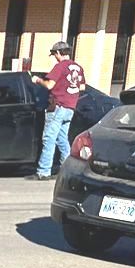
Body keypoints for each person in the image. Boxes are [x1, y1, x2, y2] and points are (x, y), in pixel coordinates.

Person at [36, 39, 87, 180]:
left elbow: (50, 85)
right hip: (70, 107)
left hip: (58, 106)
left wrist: (38, 80)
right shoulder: (77, 67)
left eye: (55, 54)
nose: (55, 58)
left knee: (49, 138)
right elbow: (82, 87)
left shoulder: (60, 67)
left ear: (59, 53)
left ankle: (43, 171)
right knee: (62, 139)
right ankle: (69, 170)